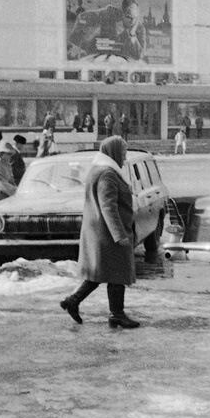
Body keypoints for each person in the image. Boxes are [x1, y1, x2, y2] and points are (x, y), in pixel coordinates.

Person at [59, 136, 140, 329]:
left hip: (101, 232)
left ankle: (73, 301)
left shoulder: (102, 170)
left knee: (102, 272)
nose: (124, 156)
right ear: (113, 152)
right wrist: (119, 234)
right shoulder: (107, 174)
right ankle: (117, 314)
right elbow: (108, 207)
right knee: (116, 273)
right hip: (107, 234)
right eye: (123, 152)